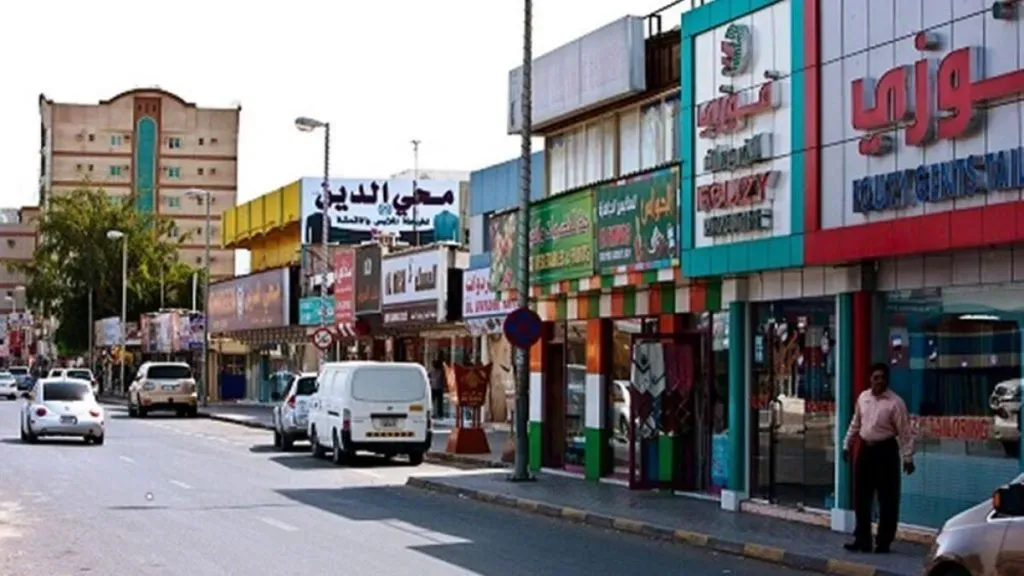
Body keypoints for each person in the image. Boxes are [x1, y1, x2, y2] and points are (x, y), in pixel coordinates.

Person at [842, 362, 915, 554]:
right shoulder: (863, 398)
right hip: (866, 450)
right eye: (876, 378)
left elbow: (905, 432)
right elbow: (855, 423)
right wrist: (846, 444)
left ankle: (884, 541)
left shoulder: (895, 403)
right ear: (870, 379)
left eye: (882, 378)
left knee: (887, 499)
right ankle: (862, 539)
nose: (879, 381)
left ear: (887, 380)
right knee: (861, 497)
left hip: (886, 451)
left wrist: (908, 457)